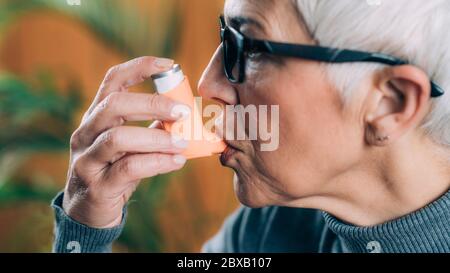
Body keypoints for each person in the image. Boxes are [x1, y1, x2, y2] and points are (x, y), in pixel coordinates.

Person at [52, 0, 450, 253]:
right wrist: (85, 229)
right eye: (225, 36)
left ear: (390, 103)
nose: (208, 85)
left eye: (251, 48)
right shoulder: (269, 229)